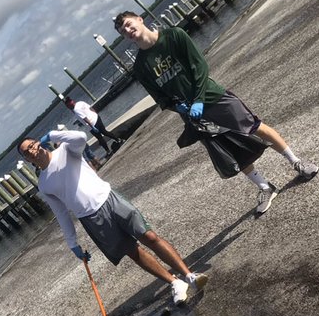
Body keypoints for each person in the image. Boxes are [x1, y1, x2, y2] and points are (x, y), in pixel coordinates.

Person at [113, 11, 317, 216]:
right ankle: (265, 187)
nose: (129, 31)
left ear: (140, 20)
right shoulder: (140, 66)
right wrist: (178, 107)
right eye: (124, 31)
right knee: (228, 149)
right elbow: (160, 97)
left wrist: (198, 101)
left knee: (255, 127)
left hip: (213, 97)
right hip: (193, 116)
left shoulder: (174, 36)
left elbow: (199, 67)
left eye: (130, 25)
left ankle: (296, 162)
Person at [18, 129, 207, 307]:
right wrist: (72, 243)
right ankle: (174, 283)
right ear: (27, 159)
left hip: (109, 199)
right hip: (90, 218)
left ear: (39, 143)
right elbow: (61, 213)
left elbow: (81, 137)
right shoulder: (44, 184)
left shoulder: (66, 150)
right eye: (27, 151)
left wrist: (52, 134)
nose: (33, 150)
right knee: (133, 252)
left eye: (33, 144)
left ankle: (189, 275)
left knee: (149, 236)